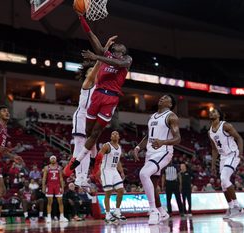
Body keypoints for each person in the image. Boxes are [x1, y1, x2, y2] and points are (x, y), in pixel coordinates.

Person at [63, 12, 132, 177]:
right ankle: (95, 159)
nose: (119, 54)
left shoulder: (126, 61)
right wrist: (81, 19)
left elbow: (117, 62)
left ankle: (76, 162)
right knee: (88, 133)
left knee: (95, 133)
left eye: (121, 52)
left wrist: (98, 56)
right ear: (113, 51)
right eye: (116, 51)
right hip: (97, 96)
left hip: (111, 98)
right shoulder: (106, 56)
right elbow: (91, 36)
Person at [134, 94, 181, 225]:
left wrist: (163, 142)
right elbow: (148, 136)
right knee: (152, 185)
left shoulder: (171, 116)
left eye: (166, 98)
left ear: (170, 104)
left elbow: (178, 138)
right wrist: (138, 147)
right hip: (150, 153)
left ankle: (153, 211)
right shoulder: (152, 117)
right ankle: (162, 212)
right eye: (161, 97)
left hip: (164, 152)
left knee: (143, 174)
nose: (161, 98)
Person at [208, 108, 244, 218]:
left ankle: (237, 207)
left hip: (232, 154)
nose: (211, 113)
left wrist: (240, 154)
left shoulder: (225, 126)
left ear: (219, 115)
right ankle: (231, 206)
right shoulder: (209, 132)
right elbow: (214, 149)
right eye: (211, 112)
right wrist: (213, 165)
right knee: (223, 184)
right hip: (223, 157)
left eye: (214, 111)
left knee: (224, 178)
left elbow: (239, 138)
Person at [97, 131, 126, 223]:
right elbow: (99, 156)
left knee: (121, 190)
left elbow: (118, 161)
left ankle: (117, 212)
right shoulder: (107, 145)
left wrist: (121, 171)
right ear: (110, 136)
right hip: (106, 170)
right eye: (112, 134)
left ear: (119, 137)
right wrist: (97, 169)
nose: (114, 135)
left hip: (114, 171)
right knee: (108, 192)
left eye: (116, 134)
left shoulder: (119, 148)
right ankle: (108, 214)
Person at [42, 155, 68, 223]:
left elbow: (61, 178)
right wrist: (43, 187)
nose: (53, 160)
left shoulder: (59, 168)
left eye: (54, 158)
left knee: (60, 201)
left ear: (56, 160)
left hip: (57, 185)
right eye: (52, 159)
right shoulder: (46, 168)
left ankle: (62, 217)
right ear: (50, 160)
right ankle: (49, 217)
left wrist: (62, 187)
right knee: (49, 202)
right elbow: (44, 178)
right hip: (50, 185)